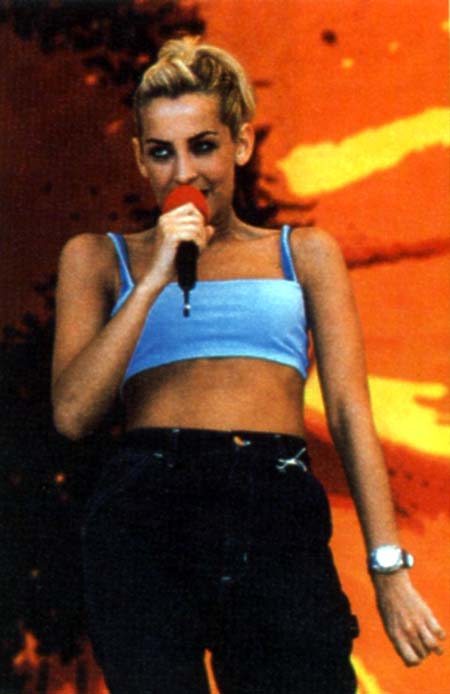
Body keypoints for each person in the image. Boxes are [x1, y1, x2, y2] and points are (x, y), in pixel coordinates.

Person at [51, 37, 445, 694]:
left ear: (240, 144)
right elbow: (72, 415)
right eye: (162, 152)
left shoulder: (305, 253)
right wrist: (151, 281)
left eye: (203, 146)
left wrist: (389, 570)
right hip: (145, 512)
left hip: (273, 506)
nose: (184, 172)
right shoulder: (97, 258)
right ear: (140, 159)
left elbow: (349, 412)